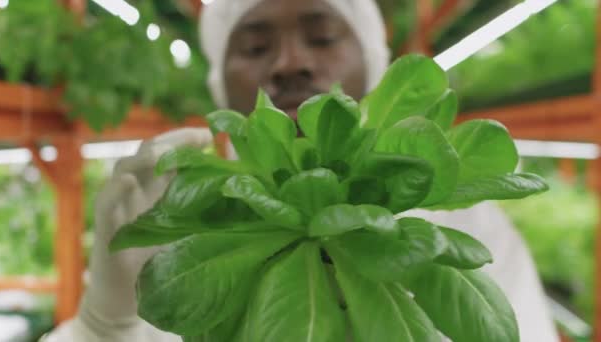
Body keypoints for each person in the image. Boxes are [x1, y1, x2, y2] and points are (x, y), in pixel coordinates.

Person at [44, 0, 559, 341]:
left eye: (323, 37)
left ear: (373, 62)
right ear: (221, 79)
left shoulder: (468, 224)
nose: (290, 62)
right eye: (254, 47)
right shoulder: (177, 224)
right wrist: (102, 324)